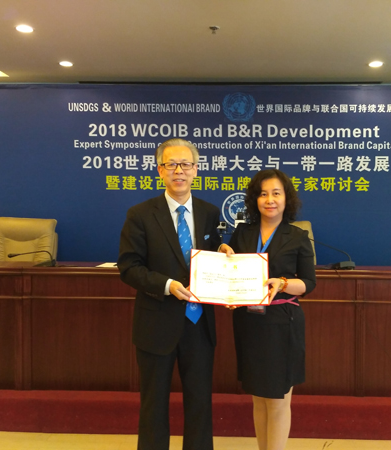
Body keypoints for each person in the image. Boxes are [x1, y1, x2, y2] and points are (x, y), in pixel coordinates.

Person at [117, 138, 221, 450]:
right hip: (156, 324)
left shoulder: (210, 212)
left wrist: (224, 255)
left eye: (185, 164)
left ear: (196, 169)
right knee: (154, 405)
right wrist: (167, 285)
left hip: (199, 325)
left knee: (200, 404)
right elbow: (129, 267)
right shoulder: (140, 214)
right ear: (160, 170)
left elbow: (211, 259)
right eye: (171, 164)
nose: (179, 171)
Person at [219, 169, 316, 450]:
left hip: (282, 322)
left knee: (277, 399)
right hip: (249, 322)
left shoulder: (297, 236)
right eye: (263, 194)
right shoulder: (242, 232)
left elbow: (308, 283)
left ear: (287, 199)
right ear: (255, 199)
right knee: (259, 398)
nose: (269, 200)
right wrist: (224, 258)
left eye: (276, 193)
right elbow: (230, 274)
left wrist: (283, 283)